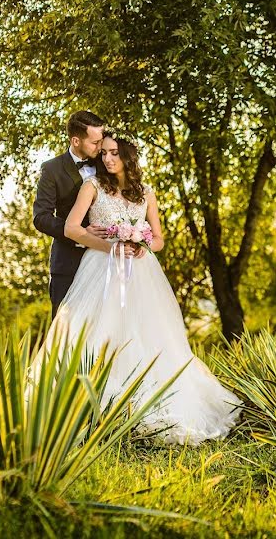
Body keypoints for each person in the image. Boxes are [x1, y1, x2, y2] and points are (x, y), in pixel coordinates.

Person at [33, 129, 240, 445]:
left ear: (129, 155)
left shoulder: (146, 193)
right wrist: (110, 246)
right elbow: (73, 228)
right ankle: (91, 406)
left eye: (114, 152)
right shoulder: (92, 187)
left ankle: (151, 402)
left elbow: (158, 239)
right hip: (100, 268)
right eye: (103, 153)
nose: (108, 158)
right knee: (96, 332)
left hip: (141, 273)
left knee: (148, 334)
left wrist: (141, 241)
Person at [33, 111, 109, 318]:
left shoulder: (108, 162)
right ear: (76, 140)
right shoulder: (52, 169)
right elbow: (41, 218)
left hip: (106, 262)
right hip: (68, 263)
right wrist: (80, 233)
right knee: (64, 333)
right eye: (95, 142)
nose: (100, 147)